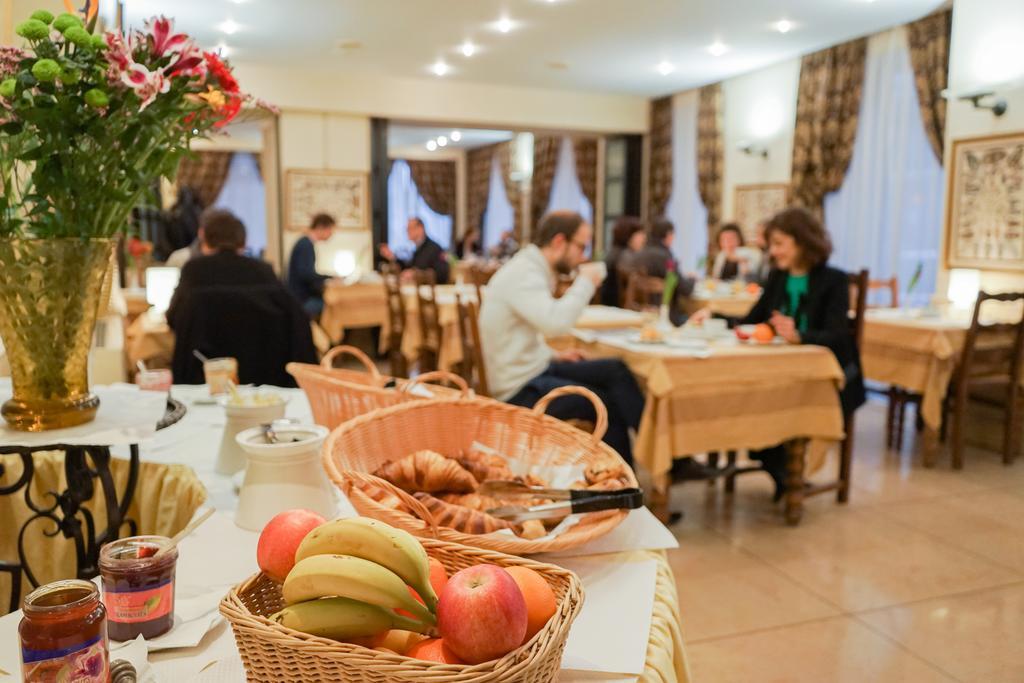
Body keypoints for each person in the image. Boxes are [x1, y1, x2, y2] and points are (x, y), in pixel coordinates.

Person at [691, 207, 867, 499]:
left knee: (764, 405)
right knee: (748, 403)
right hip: (781, 373)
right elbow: (752, 320)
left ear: (803, 242)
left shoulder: (833, 280)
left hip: (826, 377)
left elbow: (837, 336)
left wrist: (800, 336)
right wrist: (714, 315)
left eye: (779, 244)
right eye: (772, 244)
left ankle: (785, 473)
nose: (773, 251)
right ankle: (782, 469)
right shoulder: (777, 276)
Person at [479, 210, 645, 466]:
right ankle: (625, 487)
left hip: (532, 368)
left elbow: (523, 336)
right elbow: (555, 324)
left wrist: (554, 355)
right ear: (559, 242)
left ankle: (654, 448)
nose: (584, 255)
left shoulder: (530, 267)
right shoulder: (524, 272)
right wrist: (586, 282)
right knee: (604, 403)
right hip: (518, 388)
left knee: (616, 370)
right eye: (581, 246)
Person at [167, 208, 316, 386]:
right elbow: (294, 318)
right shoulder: (263, 270)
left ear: (203, 238)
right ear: (243, 243)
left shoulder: (194, 270)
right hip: (267, 374)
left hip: (206, 377)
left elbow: (173, 318)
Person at [631, 217, 696, 323]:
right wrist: (693, 279)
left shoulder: (639, 254)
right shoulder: (666, 258)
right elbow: (685, 289)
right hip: (666, 317)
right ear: (668, 235)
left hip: (641, 313)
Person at [287, 213, 335, 318]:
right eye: (330, 230)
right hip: (301, 298)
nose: (331, 234)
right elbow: (306, 274)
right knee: (333, 307)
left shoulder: (306, 243)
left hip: (300, 295)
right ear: (321, 228)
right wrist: (330, 276)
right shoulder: (305, 245)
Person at [380, 217, 450, 283]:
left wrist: (417, 274)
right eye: (407, 229)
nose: (407, 232)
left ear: (420, 229)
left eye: (410, 228)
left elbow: (442, 274)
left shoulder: (435, 248)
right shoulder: (418, 249)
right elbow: (408, 268)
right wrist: (392, 256)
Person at [600, 216, 645, 307]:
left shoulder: (614, 253)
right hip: (618, 308)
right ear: (629, 236)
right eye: (639, 235)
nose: (644, 239)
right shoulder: (625, 256)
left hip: (607, 305)